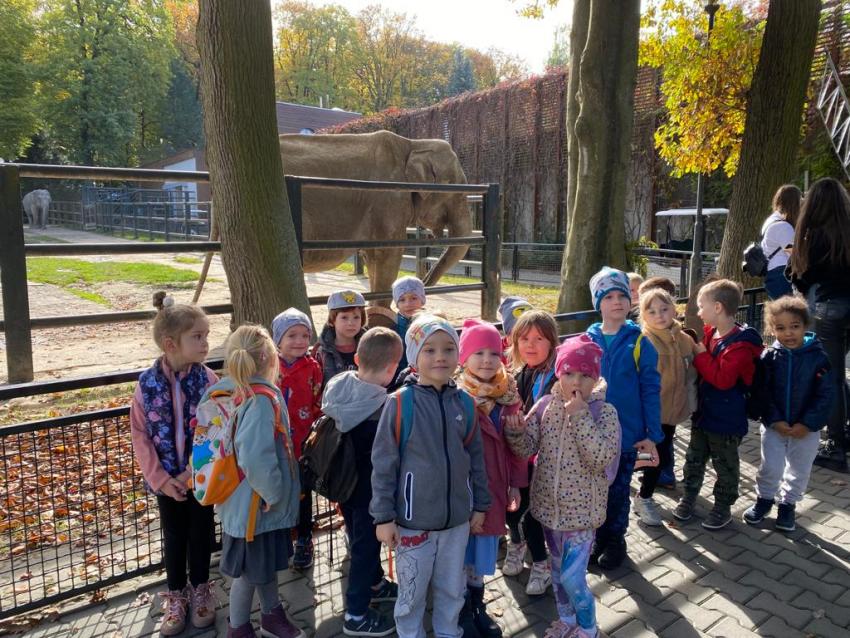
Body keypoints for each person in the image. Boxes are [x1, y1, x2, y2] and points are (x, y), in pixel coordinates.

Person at [370, 314, 491, 638]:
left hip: (457, 523)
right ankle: (411, 633)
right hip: (413, 524)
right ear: (414, 356)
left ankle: (448, 631)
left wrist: (480, 505)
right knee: (411, 592)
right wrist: (384, 517)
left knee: (452, 588)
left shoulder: (465, 404)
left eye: (448, 349)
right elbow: (383, 466)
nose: (440, 357)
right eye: (430, 349)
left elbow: (476, 459)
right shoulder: (399, 404)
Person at [505, 335, 620, 638]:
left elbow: (600, 457)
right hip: (549, 511)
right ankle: (567, 620)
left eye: (585, 375)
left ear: (595, 378)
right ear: (558, 373)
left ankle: (589, 628)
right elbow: (527, 447)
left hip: (582, 515)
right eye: (568, 373)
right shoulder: (545, 405)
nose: (576, 382)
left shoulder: (604, 412)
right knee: (557, 573)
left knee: (572, 578)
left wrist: (580, 416)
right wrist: (516, 433)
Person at [130, 292, 218, 636]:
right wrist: (162, 479)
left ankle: (201, 590)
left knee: (201, 533)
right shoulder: (147, 385)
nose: (206, 343)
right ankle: (177, 595)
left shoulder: (208, 381)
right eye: (197, 336)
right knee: (174, 536)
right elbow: (140, 434)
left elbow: (216, 430)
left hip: (199, 478)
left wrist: (190, 473)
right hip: (165, 482)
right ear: (171, 344)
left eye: (206, 335)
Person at [209, 325, 304, 638]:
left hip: (242, 502)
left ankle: (271, 615)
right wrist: (274, 493)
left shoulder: (232, 390)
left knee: (261, 566)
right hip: (256, 507)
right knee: (249, 574)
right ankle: (238, 628)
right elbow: (254, 457)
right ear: (268, 357)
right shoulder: (261, 400)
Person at [322, 327, 403, 637]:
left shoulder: (339, 385)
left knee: (359, 538)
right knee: (365, 549)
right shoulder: (384, 406)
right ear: (392, 368)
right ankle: (355, 614)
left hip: (343, 482)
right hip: (369, 491)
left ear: (357, 358)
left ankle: (375, 582)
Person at [585, 267, 662, 569]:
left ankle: (616, 540)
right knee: (595, 491)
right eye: (608, 297)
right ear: (598, 303)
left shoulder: (640, 342)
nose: (616, 301)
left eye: (622, 295)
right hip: (593, 435)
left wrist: (652, 433)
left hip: (627, 436)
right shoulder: (587, 340)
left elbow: (651, 389)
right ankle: (597, 537)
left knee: (618, 493)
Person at [673, 279, 763, 530]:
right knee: (694, 458)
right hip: (704, 414)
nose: (698, 311)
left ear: (718, 307)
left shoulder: (740, 345)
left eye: (702, 306)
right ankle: (689, 496)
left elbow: (722, 380)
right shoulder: (712, 333)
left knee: (725, 465)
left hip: (726, 419)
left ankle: (723, 506)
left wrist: (700, 354)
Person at [455, 319, 525, 638]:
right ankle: (459, 609)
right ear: (464, 358)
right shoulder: (456, 396)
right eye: (478, 353)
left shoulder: (509, 396)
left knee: (481, 552)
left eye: (494, 353)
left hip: (495, 488)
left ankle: (477, 605)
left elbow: (516, 448)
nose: (486, 360)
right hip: (463, 490)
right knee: (459, 550)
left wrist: (516, 483)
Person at [744, 296, 833, 532]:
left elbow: (825, 395)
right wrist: (775, 420)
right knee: (770, 467)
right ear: (772, 330)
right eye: (781, 328)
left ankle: (788, 505)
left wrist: (807, 423)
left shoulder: (819, 358)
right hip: (775, 426)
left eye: (795, 326)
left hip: (806, 430)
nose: (789, 333)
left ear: (805, 325)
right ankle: (764, 500)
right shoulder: (769, 357)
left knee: (799, 470)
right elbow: (763, 392)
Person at [788, 177, 850, 472]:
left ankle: (836, 446)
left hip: (828, 308)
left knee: (832, 377)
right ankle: (843, 432)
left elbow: (802, 279)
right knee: (838, 376)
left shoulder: (813, 235)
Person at [503, 310, 558, 594]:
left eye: (539, 339)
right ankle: (516, 542)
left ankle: (540, 562)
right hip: (517, 457)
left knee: (532, 513)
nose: (531, 345)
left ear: (552, 343)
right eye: (524, 339)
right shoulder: (516, 375)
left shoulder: (557, 379)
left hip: (543, 461)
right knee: (511, 509)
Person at [633, 288, 698, 526]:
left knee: (657, 456)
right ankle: (644, 496)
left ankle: (643, 486)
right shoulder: (644, 340)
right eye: (651, 311)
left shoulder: (684, 339)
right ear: (643, 315)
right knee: (652, 457)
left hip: (672, 412)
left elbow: (694, 369)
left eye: (664, 309)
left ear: (674, 309)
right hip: (650, 414)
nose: (659, 315)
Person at [272, 307, 323, 570]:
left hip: (303, 443)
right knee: (279, 492)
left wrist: (316, 432)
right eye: (292, 335)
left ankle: (304, 538)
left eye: (305, 335)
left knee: (303, 493)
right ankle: (280, 539)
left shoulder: (312, 367)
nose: (300, 341)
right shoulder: (269, 366)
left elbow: (317, 401)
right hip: (275, 444)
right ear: (278, 340)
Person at [313, 290, 368, 386]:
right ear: (332, 320)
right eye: (344, 318)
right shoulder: (322, 352)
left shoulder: (369, 346)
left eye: (356, 317)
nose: (351, 323)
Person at [761, 184, 800, 300]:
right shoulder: (783, 227)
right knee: (789, 309)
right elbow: (793, 254)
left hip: (774, 274)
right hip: (781, 275)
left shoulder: (771, 220)